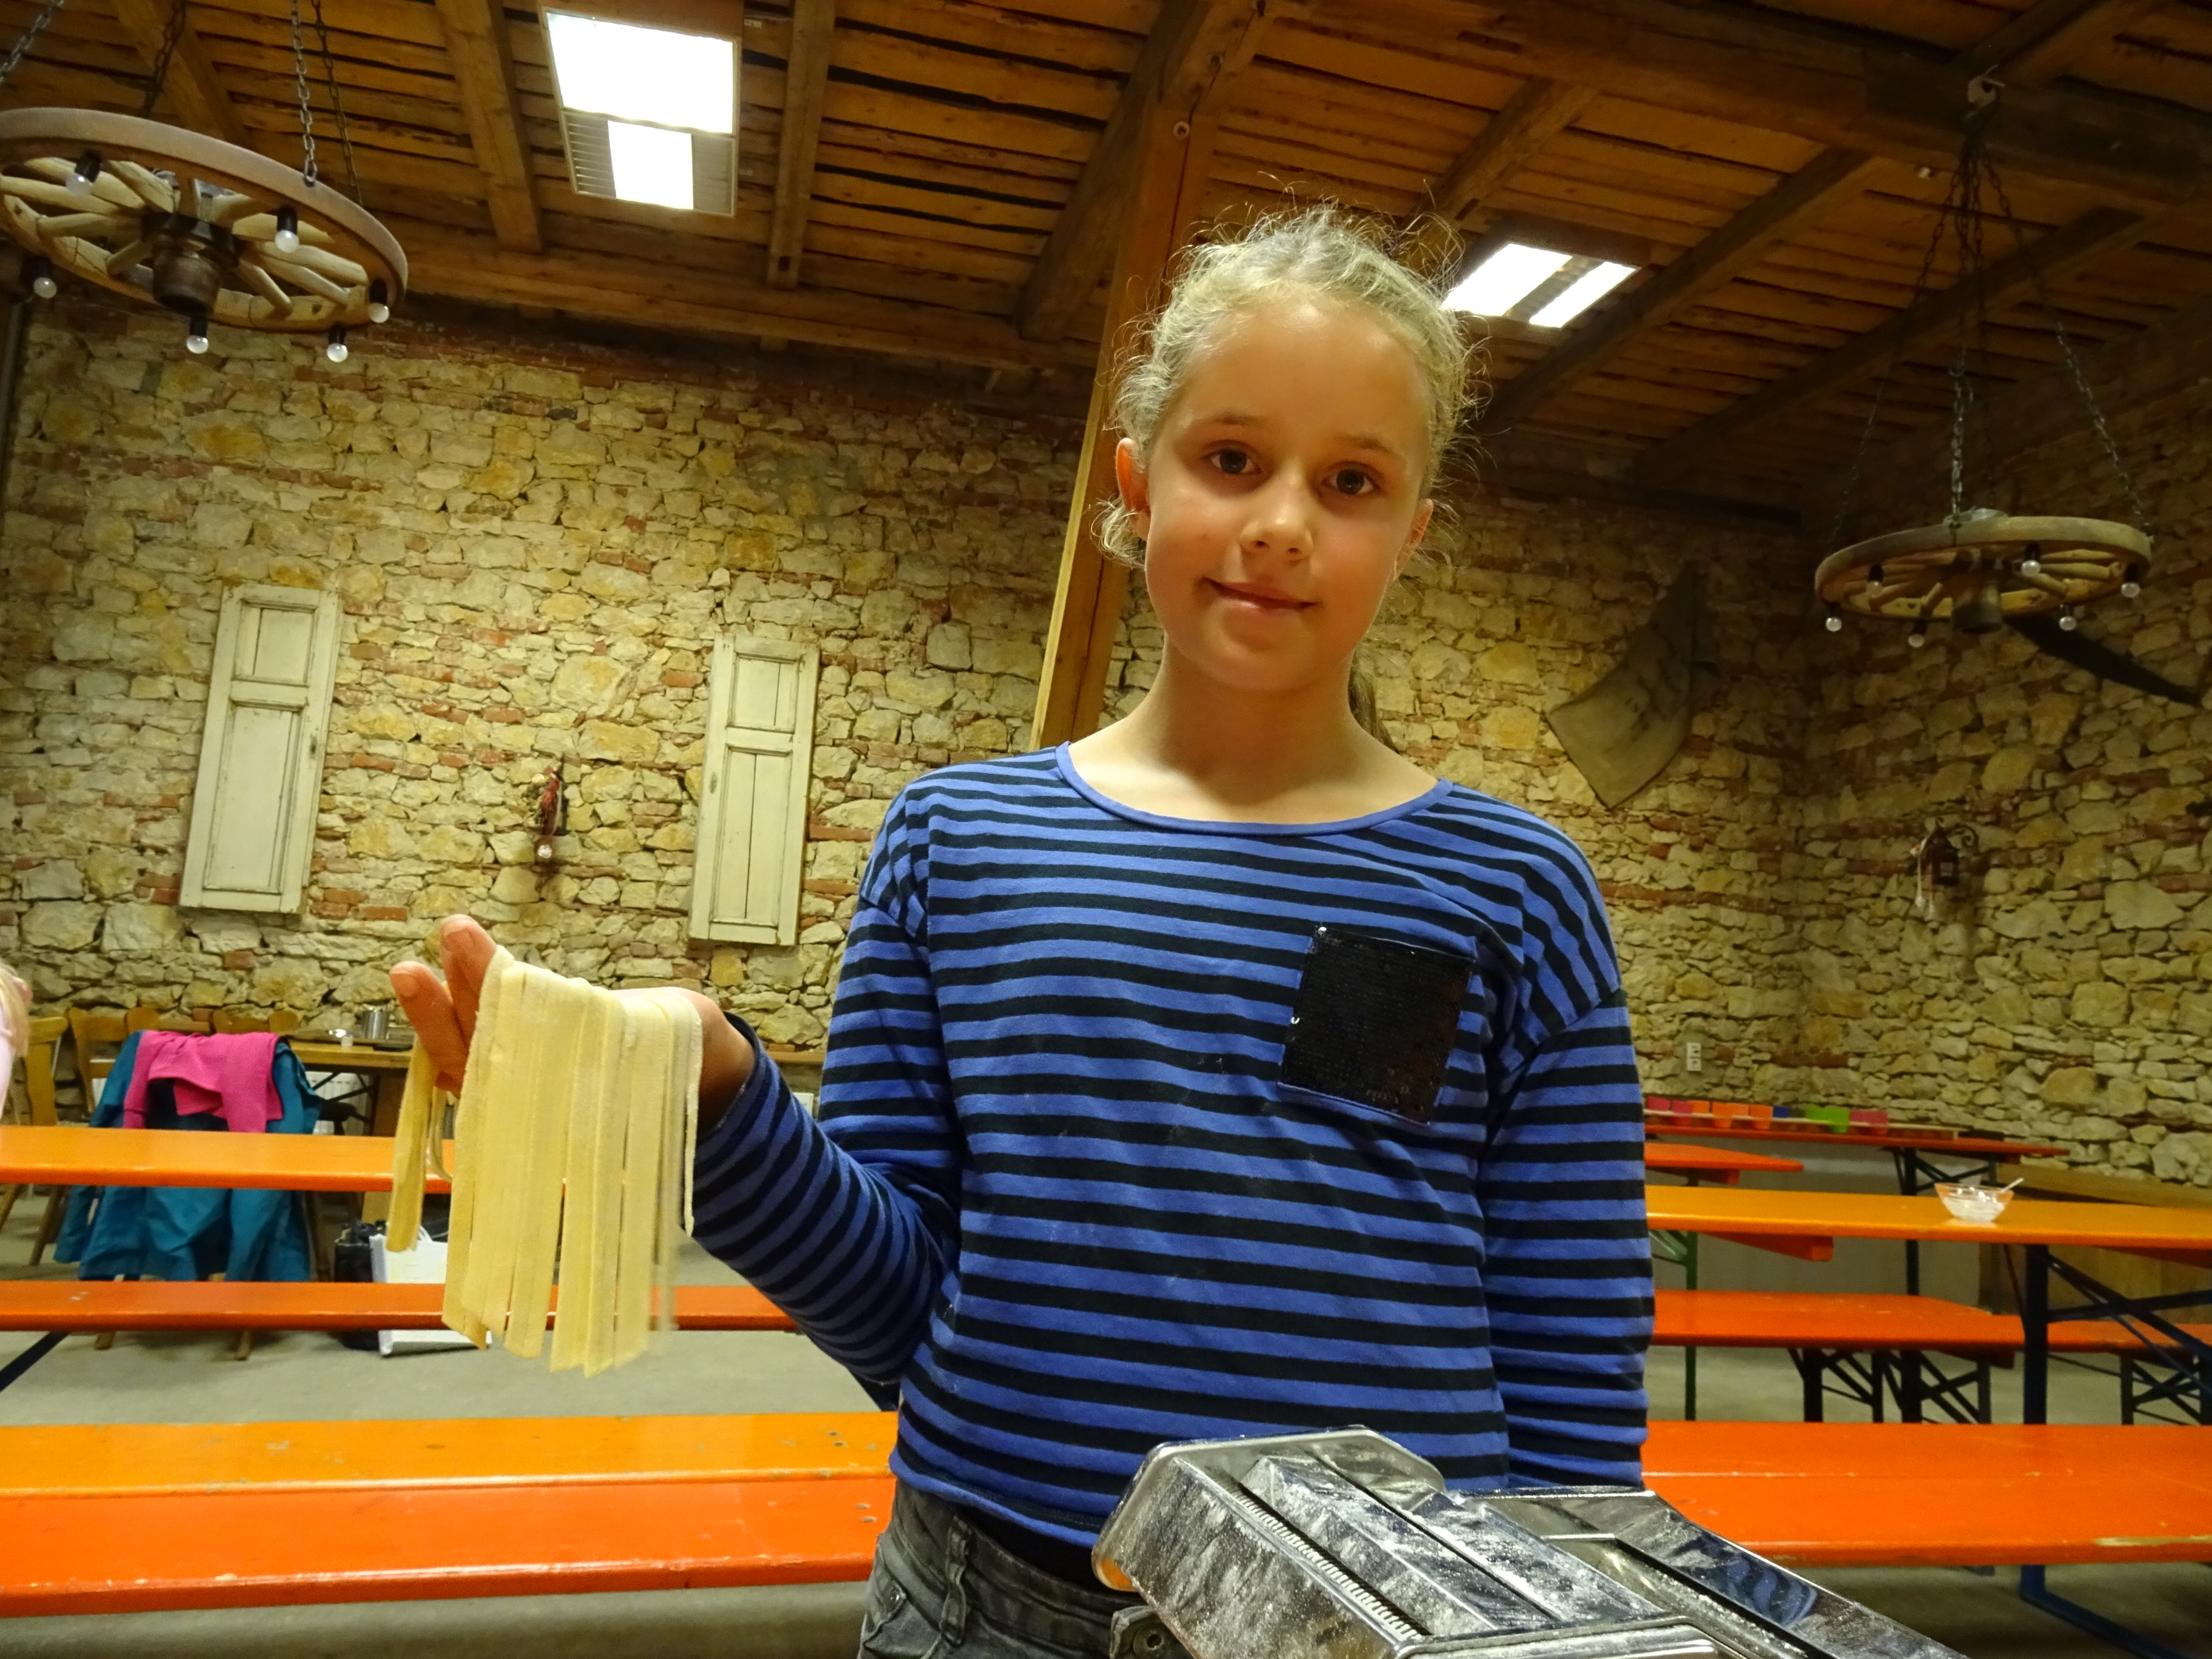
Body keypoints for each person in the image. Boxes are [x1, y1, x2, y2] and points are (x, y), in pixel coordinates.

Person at [396, 206, 1650, 1659]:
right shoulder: (959, 840)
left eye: (1352, 481)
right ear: (1136, 483)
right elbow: (897, 1317)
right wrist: (721, 1099)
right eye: (1230, 459)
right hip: (992, 1608)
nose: (1281, 523)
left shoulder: (1512, 887)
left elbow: (1571, 1349)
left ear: (1413, 531)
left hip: (1391, 1622)